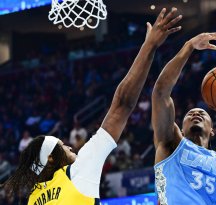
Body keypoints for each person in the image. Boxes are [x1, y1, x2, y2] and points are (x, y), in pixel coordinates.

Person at [2, 8, 182, 204]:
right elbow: (122, 105)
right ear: (51, 159)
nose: (70, 146)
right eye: (62, 146)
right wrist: (149, 46)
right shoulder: (77, 171)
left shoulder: (33, 198)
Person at [151, 32, 216, 204]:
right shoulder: (170, 143)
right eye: (189, 114)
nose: (196, 113)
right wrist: (189, 46)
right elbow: (161, 92)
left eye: (203, 114)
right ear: (181, 129)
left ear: (212, 131)